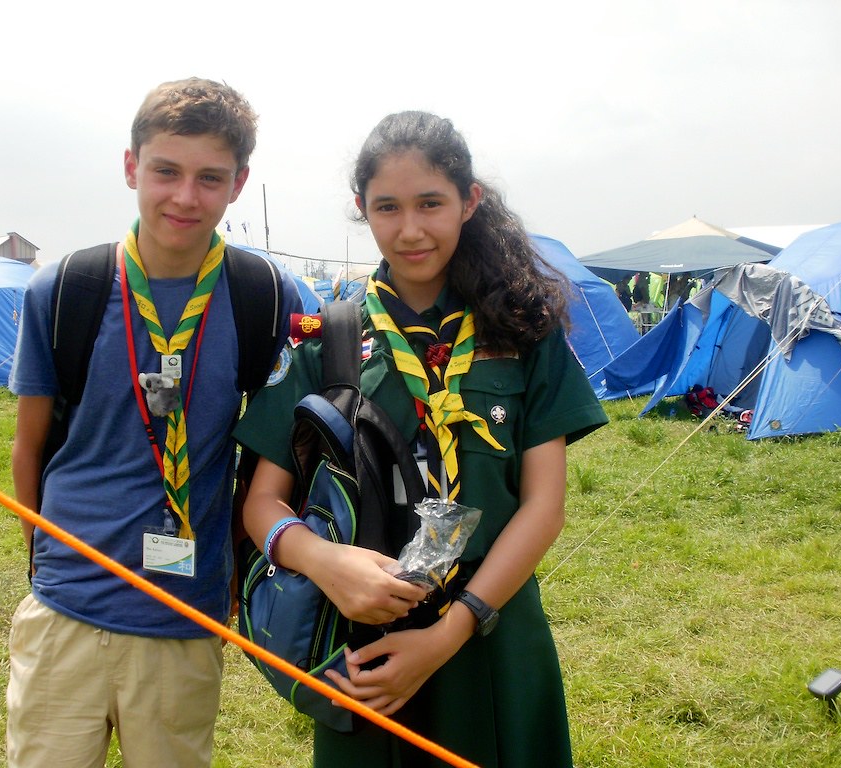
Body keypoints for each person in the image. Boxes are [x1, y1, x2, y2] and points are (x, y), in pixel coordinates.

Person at [234, 111, 608, 767]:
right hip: (366, 641)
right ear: (362, 209)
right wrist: (326, 563)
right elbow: (262, 502)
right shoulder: (328, 340)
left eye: (431, 203)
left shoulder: (525, 331)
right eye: (388, 207)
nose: (410, 229)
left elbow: (544, 506)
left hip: (492, 630)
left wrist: (451, 630)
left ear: (470, 201)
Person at [6, 77, 301, 768]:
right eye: (166, 170)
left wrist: (238, 566)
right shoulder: (65, 289)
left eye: (210, 178)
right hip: (64, 613)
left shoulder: (262, 295)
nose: (185, 197)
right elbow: (27, 450)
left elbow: (269, 453)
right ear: (132, 165)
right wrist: (44, 557)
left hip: (185, 615)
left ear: (239, 183)